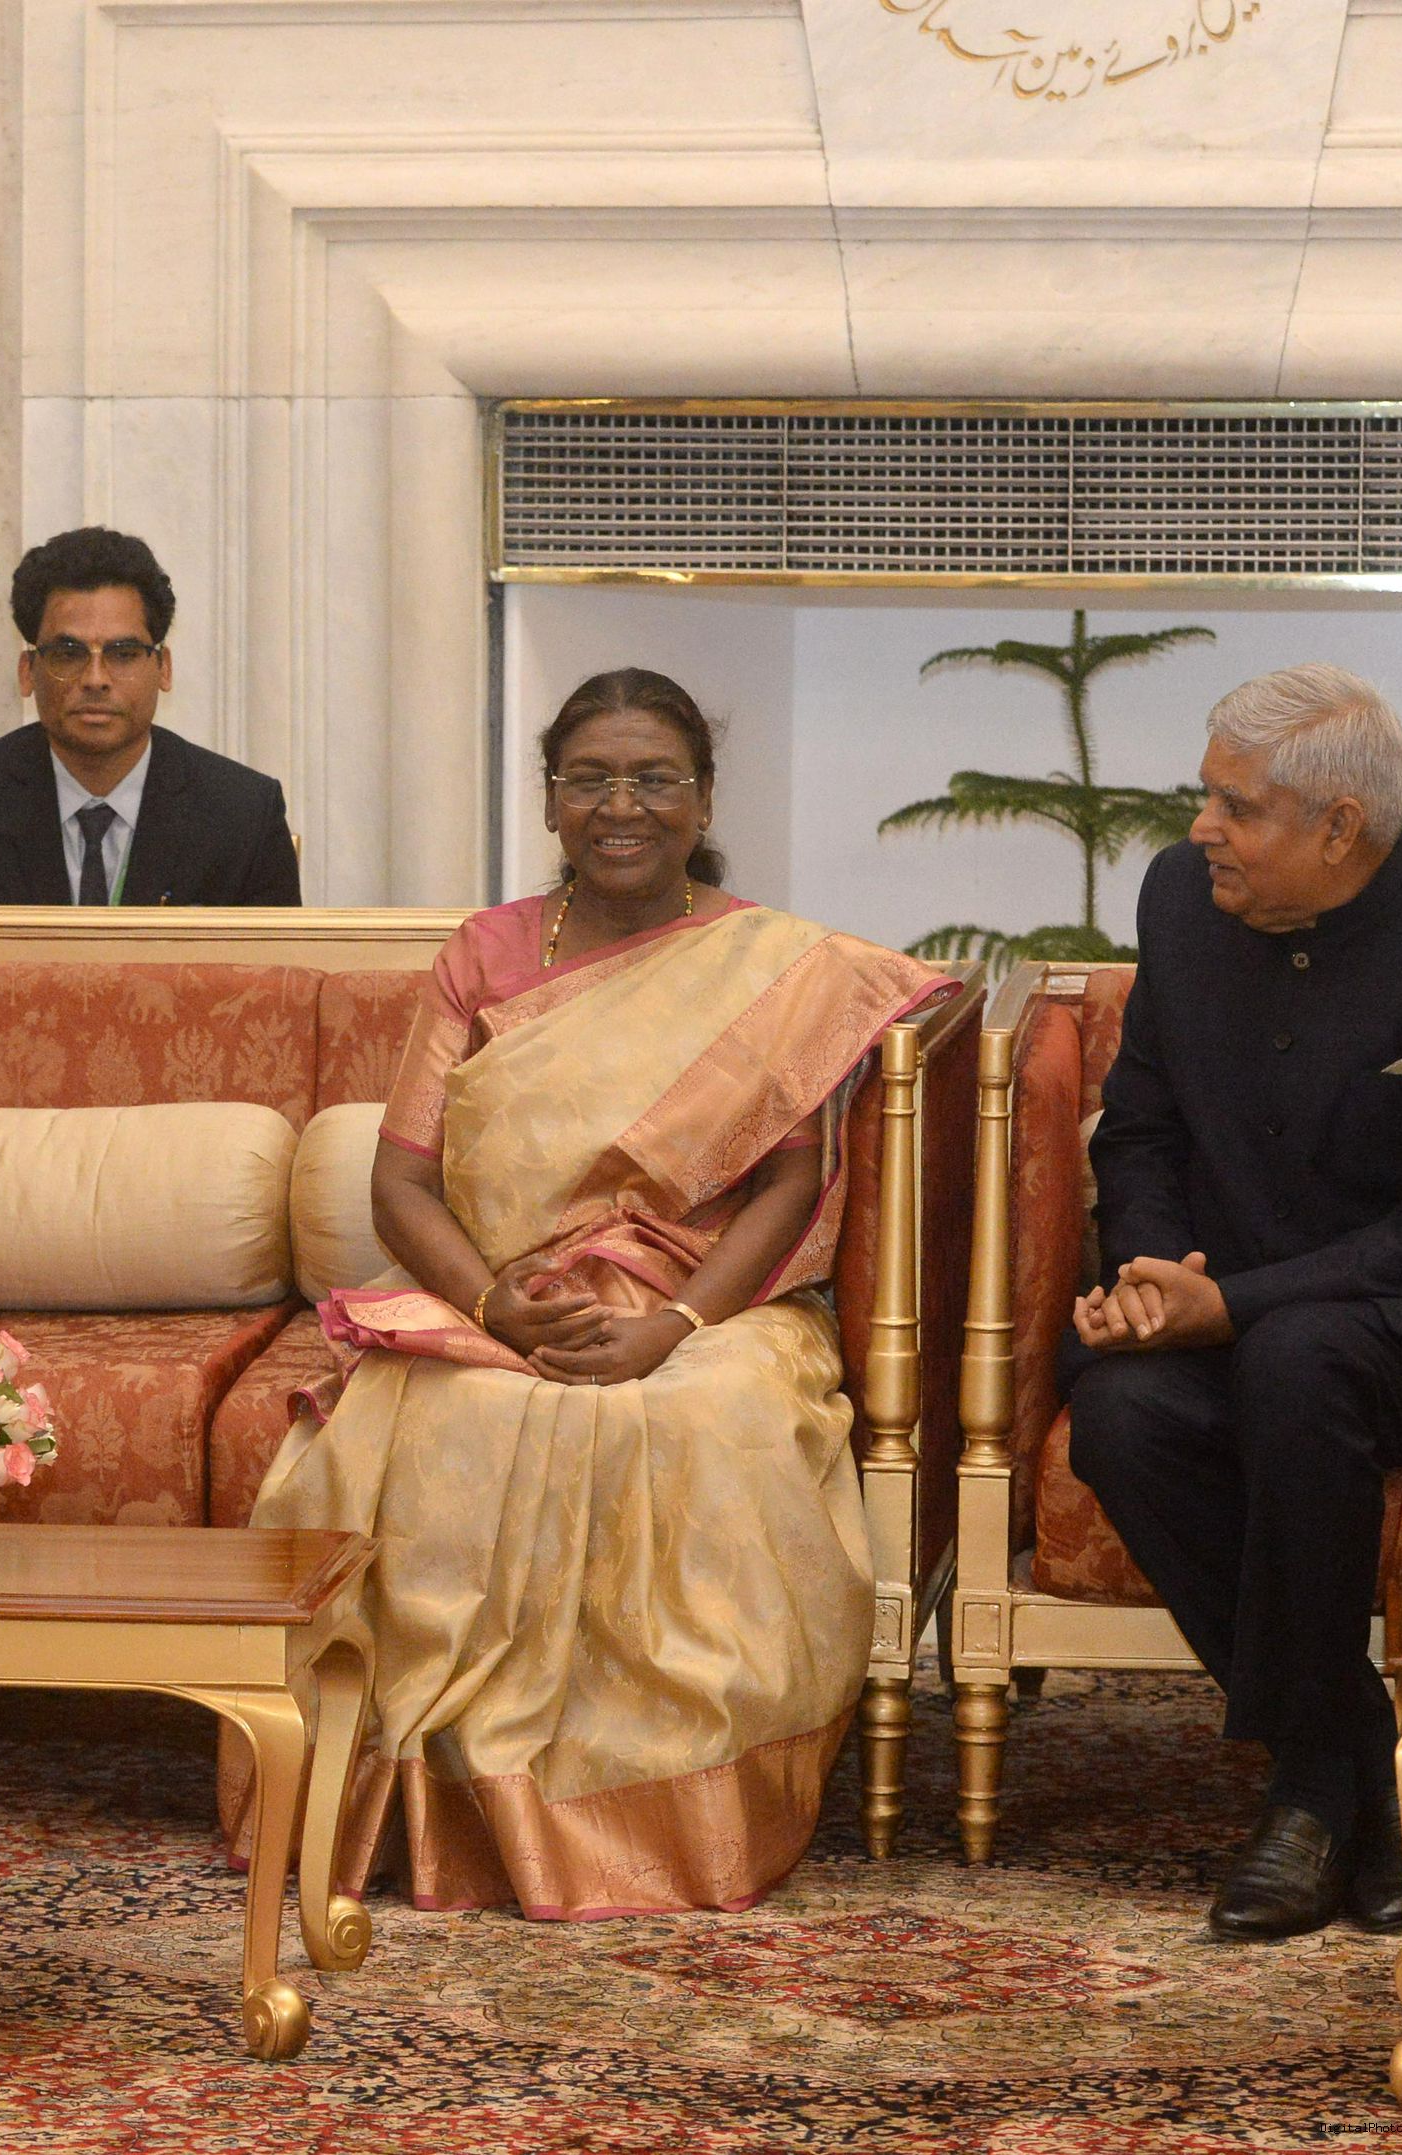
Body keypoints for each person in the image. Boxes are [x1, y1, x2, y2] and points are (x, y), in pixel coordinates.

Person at [241, 668, 946, 1916]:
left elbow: (788, 1184)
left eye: (655, 778)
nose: (623, 806)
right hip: (499, 1289)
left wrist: (671, 1326)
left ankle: (662, 1819)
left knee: (698, 1421)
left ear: (704, 799)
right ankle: (436, 1799)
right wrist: (492, 1306)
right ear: (550, 801)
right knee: (448, 1416)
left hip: (707, 1302)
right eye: (591, 779)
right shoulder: (485, 952)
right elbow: (401, 1184)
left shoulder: (769, 966)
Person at [1063, 664, 1402, 1942]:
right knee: (1121, 1411)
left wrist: (1231, 1305)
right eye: (1203, 797)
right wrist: (1151, 1276)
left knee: (1299, 1359)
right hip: (1234, 1308)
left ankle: (1304, 1796)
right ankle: (1357, 1756)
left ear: (1338, 826)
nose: (1200, 829)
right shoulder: (1181, 899)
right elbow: (1141, 1128)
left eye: (1234, 808)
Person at [0, 526, 300, 906]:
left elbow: (276, 971)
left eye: (124, 654)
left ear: (164, 668)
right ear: (27, 672)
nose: (95, 679)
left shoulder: (243, 815)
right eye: (68, 654)